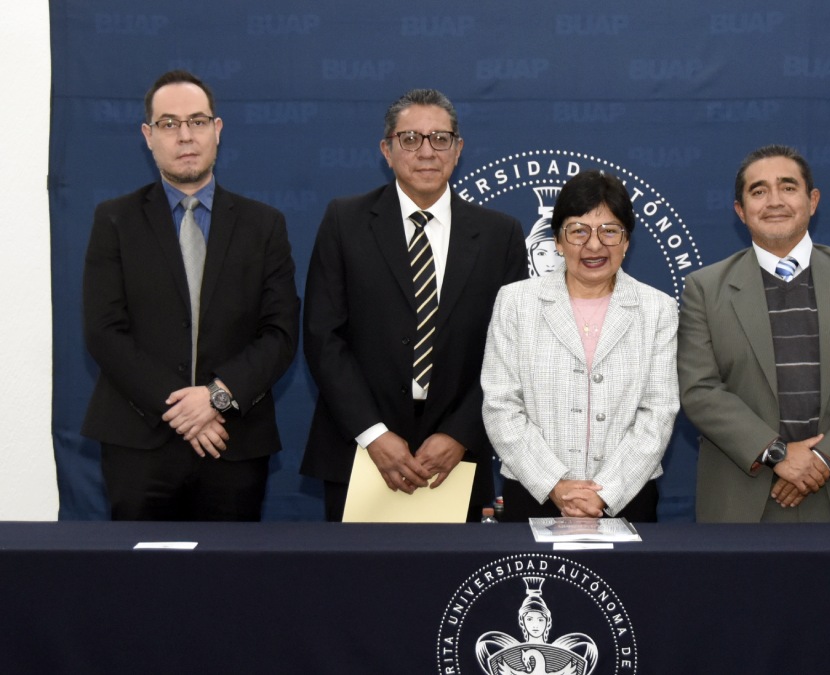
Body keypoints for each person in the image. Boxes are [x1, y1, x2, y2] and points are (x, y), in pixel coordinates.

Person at [82, 70, 299, 521]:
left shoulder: (264, 225)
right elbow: (104, 331)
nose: (185, 136)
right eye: (169, 123)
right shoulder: (114, 220)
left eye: (197, 121)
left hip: (232, 441)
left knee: (229, 568)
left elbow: (279, 334)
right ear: (148, 136)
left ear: (217, 130)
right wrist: (182, 408)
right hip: (137, 443)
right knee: (138, 567)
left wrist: (216, 397)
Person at [302, 88, 526, 522]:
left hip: (456, 460)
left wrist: (460, 434)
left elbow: (511, 353)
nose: (426, 151)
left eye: (440, 138)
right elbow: (322, 338)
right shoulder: (344, 222)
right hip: (360, 451)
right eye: (410, 139)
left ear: (458, 150)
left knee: (453, 570)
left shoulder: (500, 235)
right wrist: (373, 434)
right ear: (387, 150)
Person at [678, 145, 830, 523]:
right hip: (742, 499)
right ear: (740, 210)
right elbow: (699, 390)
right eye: (758, 191)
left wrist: (822, 460)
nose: (774, 201)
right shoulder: (704, 288)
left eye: (787, 187)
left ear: (812, 201)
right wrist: (778, 455)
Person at [481, 170, 678, 522]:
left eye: (610, 231)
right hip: (533, 494)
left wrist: (605, 493)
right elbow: (501, 405)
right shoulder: (515, 302)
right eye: (578, 231)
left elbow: (658, 412)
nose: (594, 245)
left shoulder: (657, 308)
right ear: (558, 240)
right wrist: (555, 485)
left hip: (628, 497)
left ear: (627, 241)